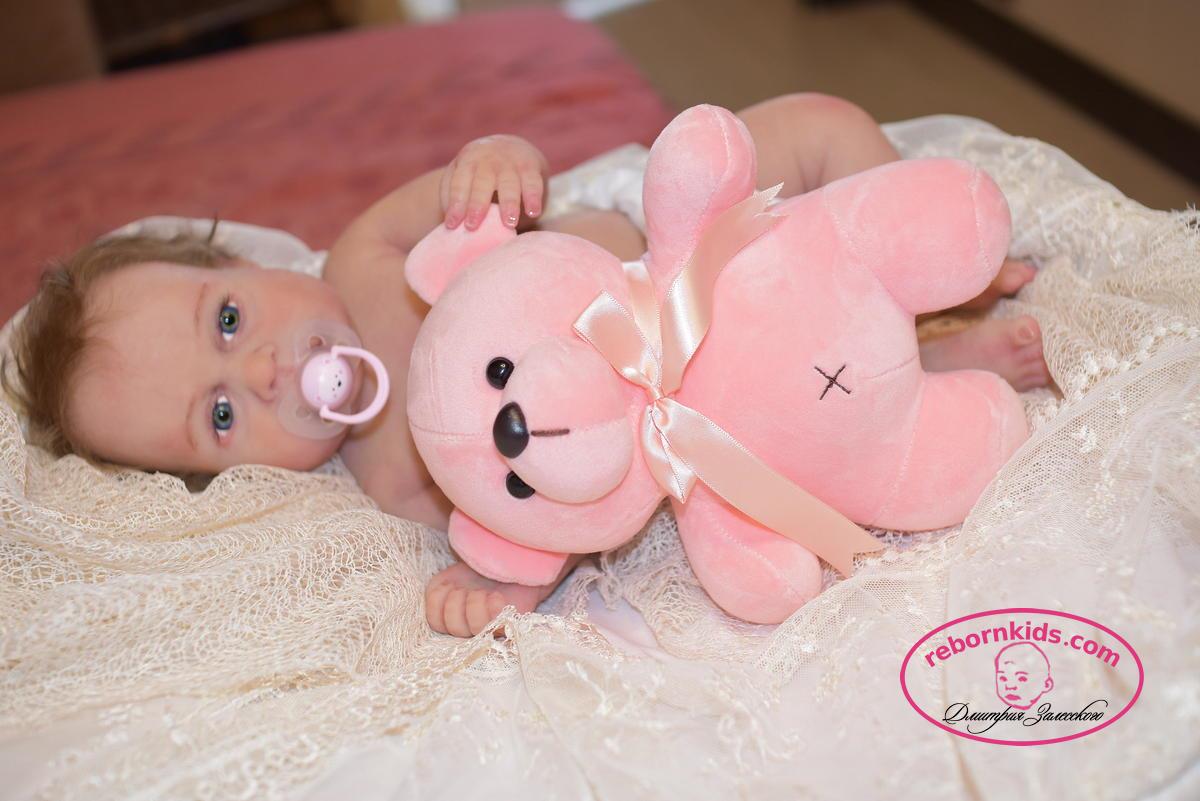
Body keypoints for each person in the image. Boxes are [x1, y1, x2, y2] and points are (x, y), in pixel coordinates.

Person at [4, 93, 1051, 639]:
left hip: (675, 243)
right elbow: (530, 527)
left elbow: (492, 189)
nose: (269, 374)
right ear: (232, 480)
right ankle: (927, 363)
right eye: (222, 416)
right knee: (788, 436)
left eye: (230, 320)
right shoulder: (392, 484)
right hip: (700, 401)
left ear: (245, 260)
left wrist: (494, 163)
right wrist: (491, 586)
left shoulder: (367, 252)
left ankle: (924, 280)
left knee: (819, 128)